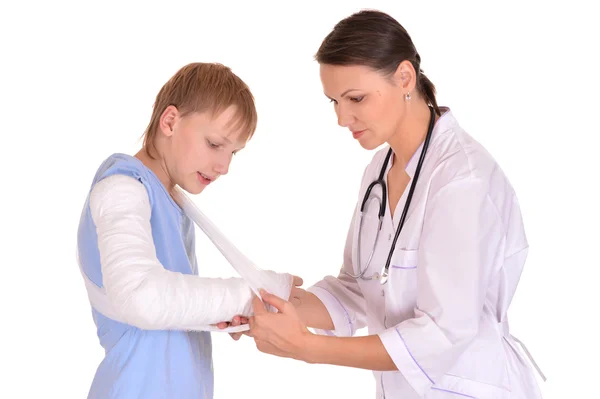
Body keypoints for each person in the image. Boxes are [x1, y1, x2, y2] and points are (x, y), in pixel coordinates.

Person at [236, 9, 545, 399]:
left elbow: (442, 333)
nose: (341, 117)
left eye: (356, 98)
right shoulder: (379, 171)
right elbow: (356, 288)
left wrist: (308, 348)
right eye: (334, 101)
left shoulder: (462, 181)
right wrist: (268, 304)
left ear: (404, 78)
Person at [76, 62, 301, 399]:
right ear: (170, 121)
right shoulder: (122, 189)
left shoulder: (169, 201)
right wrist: (246, 298)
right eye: (214, 144)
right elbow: (141, 297)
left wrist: (227, 314)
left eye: (233, 152)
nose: (224, 167)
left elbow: (171, 307)